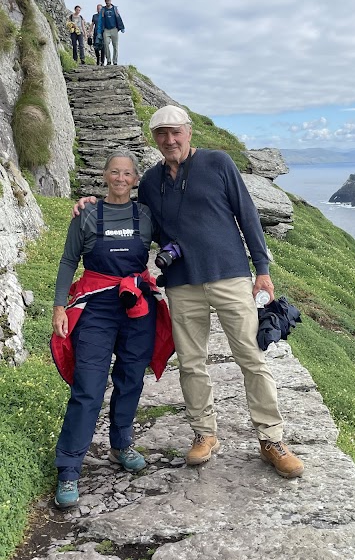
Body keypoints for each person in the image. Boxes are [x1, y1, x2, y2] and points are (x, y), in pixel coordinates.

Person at [74, 106, 304, 479]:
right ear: (155, 139)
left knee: (251, 358)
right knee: (192, 363)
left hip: (229, 275)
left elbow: (247, 215)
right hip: (181, 283)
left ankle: (271, 439)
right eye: (162, 134)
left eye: (175, 132)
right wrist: (93, 207)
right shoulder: (149, 181)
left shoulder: (218, 163)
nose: (170, 140)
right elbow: (132, 218)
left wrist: (262, 270)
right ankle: (204, 434)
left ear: (189, 132)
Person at [51, 150, 174, 509]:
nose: (121, 178)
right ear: (105, 176)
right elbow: (68, 260)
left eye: (127, 174)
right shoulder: (87, 214)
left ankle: (121, 445)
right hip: (98, 309)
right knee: (88, 386)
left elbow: (173, 241)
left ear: (136, 180)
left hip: (137, 305)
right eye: (114, 172)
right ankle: (70, 468)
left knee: (130, 379)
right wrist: (60, 306)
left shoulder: (146, 215)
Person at [97, 0, 125, 65]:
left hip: (114, 29)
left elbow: (119, 17)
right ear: (105, 1)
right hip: (106, 29)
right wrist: (99, 32)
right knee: (106, 44)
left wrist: (122, 27)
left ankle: (115, 61)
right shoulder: (103, 10)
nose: (107, 2)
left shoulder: (114, 9)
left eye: (108, 0)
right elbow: (100, 21)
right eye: (106, 1)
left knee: (115, 46)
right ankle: (108, 60)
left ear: (110, 1)